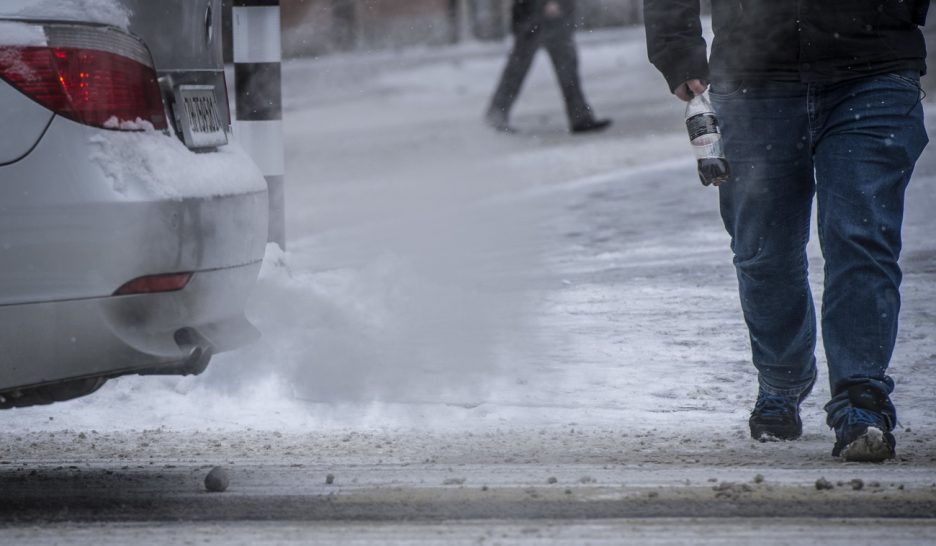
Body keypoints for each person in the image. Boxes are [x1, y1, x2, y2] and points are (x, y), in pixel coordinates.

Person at [644, 0, 929, 461]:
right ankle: (781, 380)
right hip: (754, 77)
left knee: (860, 239)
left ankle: (861, 397)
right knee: (763, 248)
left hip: (873, 67)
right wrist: (676, 50)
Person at [485, 0, 611, 133]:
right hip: (538, 14)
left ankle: (580, 117)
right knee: (520, 68)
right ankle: (496, 114)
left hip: (545, 15)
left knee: (565, 68)